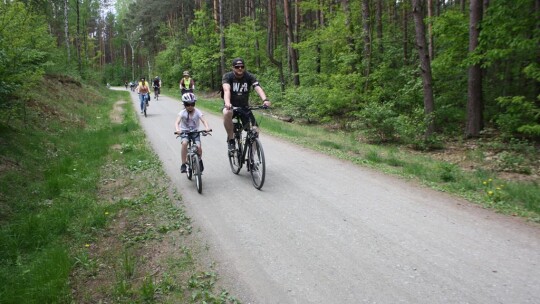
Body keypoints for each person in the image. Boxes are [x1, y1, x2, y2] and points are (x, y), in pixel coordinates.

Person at [222, 58, 271, 150]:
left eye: (242, 66)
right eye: (237, 67)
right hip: (231, 107)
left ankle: (252, 158)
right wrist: (228, 103)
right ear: (233, 68)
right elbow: (226, 90)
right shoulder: (228, 76)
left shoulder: (249, 76)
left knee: (255, 130)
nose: (240, 68)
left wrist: (265, 99)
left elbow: (257, 87)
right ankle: (231, 139)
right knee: (226, 112)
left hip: (244, 107)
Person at [175, 93, 211, 173]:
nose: (190, 106)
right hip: (184, 132)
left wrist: (207, 128)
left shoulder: (197, 112)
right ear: (184, 104)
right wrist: (178, 130)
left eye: (192, 104)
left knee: (198, 147)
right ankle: (183, 164)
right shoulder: (182, 112)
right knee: (184, 143)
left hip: (195, 132)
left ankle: (199, 160)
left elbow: (204, 120)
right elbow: (177, 122)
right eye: (188, 104)